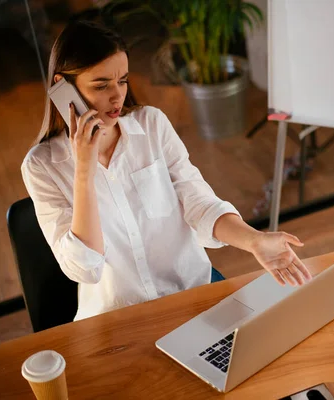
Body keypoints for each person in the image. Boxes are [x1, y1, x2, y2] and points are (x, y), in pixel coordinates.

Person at [21, 20, 311, 321]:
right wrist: (84, 168)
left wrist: (255, 241)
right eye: (101, 85)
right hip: (117, 321)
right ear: (62, 87)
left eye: (122, 80)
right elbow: (85, 267)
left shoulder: (152, 125)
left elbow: (199, 204)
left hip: (192, 293)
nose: (117, 96)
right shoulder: (41, 166)